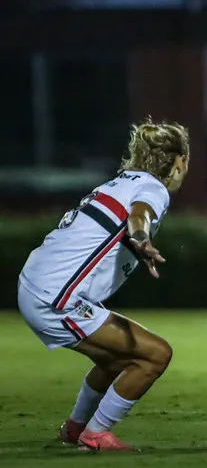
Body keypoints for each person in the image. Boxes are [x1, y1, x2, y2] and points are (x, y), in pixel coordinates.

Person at [17, 119, 190, 451]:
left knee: (114, 359)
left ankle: (74, 429)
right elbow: (138, 215)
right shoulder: (154, 188)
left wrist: (136, 245)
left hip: (34, 283)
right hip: (56, 297)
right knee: (156, 354)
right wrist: (140, 238)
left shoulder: (120, 182)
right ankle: (96, 435)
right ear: (179, 161)